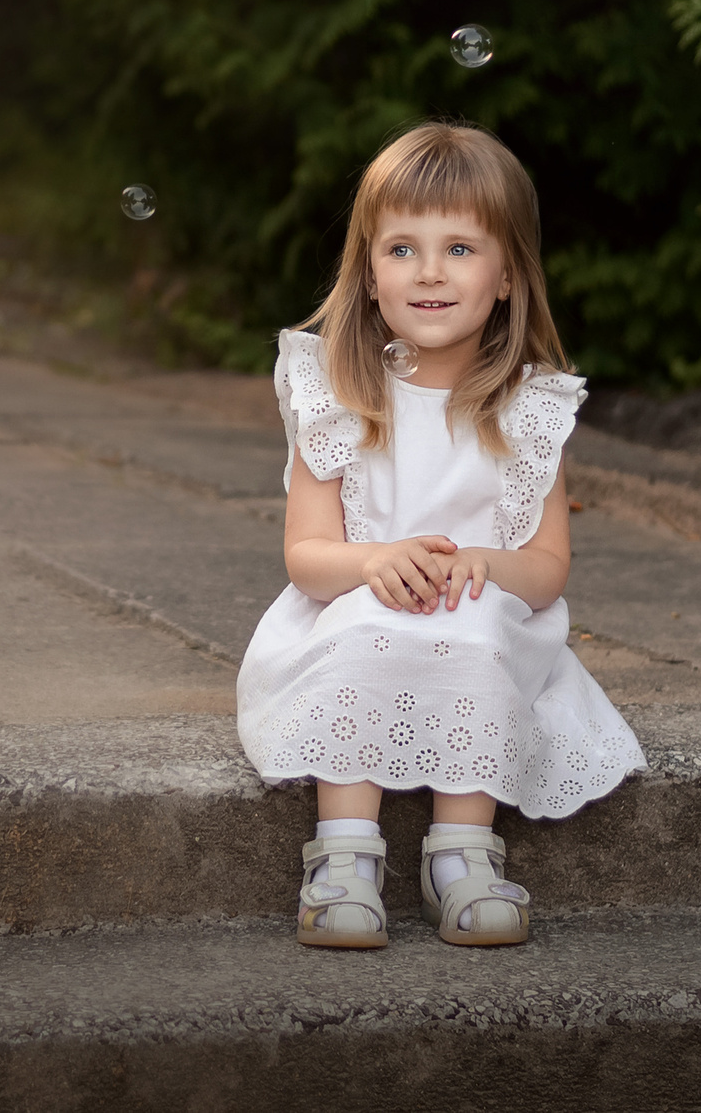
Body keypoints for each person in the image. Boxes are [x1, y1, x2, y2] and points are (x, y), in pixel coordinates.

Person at [237, 120, 645, 948]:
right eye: (402, 249)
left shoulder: (528, 411)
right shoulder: (339, 394)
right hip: (356, 605)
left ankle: (461, 854)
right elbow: (308, 558)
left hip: (479, 612)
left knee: (478, 629)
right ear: (370, 273)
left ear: (506, 277)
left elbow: (546, 568)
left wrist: (485, 566)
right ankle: (345, 857)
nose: (429, 271)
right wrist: (374, 560)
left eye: (460, 248)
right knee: (357, 626)